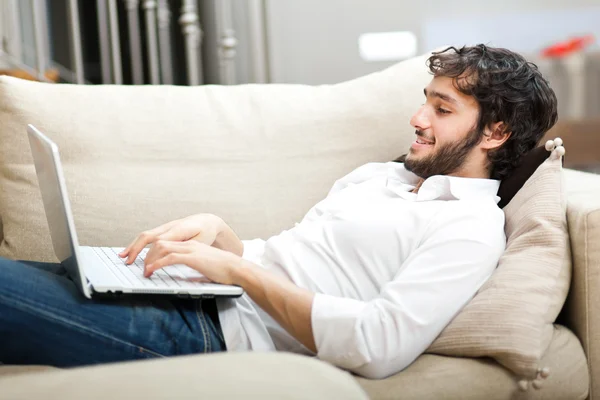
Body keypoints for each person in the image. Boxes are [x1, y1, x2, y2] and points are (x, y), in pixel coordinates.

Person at [0, 44, 557, 379]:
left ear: (497, 131)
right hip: (190, 292)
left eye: (442, 108)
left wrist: (237, 273)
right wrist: (226, 243)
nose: (417, 117)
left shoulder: (468, 229)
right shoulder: (382, 176)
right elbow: (298, 260)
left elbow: (379, 345)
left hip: (208, 333)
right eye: (424, 100)